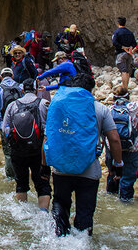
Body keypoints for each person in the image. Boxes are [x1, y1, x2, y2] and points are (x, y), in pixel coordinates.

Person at [44, 74, 123, 236]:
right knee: (85, 212)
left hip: (61, 167)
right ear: (91, 89)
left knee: (60, 206)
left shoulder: (58, 105)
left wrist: (44, 167)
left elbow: (48, 139)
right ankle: (84, 246)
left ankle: (60, 240)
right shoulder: (100, 108)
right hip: (89, 170)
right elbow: (114, 139)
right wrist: (118, 165)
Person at [2, 79, 51, 211]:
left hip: (18, 151)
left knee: (21, 183)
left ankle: (23, 214)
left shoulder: (13, 105)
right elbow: (50, 128)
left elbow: (4, 128)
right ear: (36, 90)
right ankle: (43, 214)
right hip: (39, 151)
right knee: (42, 184)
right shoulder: (44, 104)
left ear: (22, 90)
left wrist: (11, 144)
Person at [0, 67, 23, 179]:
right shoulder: (20, 88)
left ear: (1, 77)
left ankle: (10, 179)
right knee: (20, 151)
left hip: (4, 125)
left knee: (8, 153)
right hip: (20, 125)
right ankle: (21, 176)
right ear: (12, 76)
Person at [108, 86, 138, 202]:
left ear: (114, 97)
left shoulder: (109, 109)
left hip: (112, 149)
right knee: (128, 178)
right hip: (131, 148)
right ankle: (125, 202)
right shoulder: (134, 108)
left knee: (112, 174)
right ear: (128, 97)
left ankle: (110, 199)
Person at [112, 17, 137, 90]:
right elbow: (134, 43)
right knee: (128, 71)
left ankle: (124, 88)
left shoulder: (116, 32)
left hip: (121, 53)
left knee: (123, 71)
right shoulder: (130, 32)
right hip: (129, 54)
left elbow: (114, 42)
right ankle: (126, 87)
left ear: (118, 23)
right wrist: (130, 49)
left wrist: (123, 47)